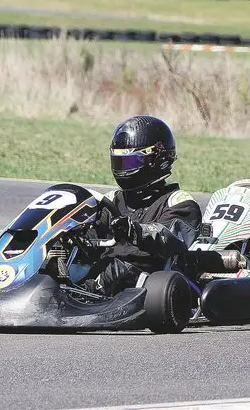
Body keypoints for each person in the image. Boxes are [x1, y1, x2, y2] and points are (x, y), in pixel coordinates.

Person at [83, 116, 202, 296]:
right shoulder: (110, 200)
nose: (123, 170)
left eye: (129, 163)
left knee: (118, 270)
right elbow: (92, 236)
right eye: (119, 163)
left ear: (156, 161)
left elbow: (167, 237)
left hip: (150, 282)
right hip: (105, 272)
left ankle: (82, 295)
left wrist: (135, 231)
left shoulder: (179, 202)